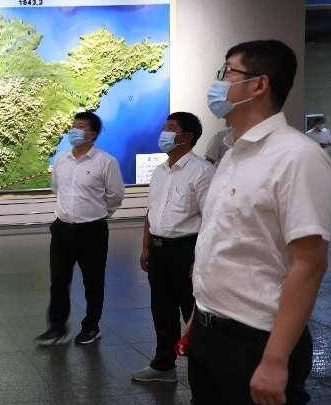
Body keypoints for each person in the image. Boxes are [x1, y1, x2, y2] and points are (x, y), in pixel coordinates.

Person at [185, 40, 331, 405]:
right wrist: (198, 313)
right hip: (210, 334)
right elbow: (224, 244)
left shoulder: (296, 157)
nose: (218, 82)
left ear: (258, 85)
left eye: (227, 72)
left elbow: (309, 264)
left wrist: (275, 360)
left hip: (256, 341)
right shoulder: (233, 152)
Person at [132, 112, 214, 383]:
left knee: (192, 313)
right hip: (159, 250)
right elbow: (151, 211)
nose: (163, 134)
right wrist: (146, 246)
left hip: (186, 250)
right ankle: (163, 365)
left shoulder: (202, 172)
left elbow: (212, 219)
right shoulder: (160, 171)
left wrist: (200, 259)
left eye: (170, 129)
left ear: (187, 137)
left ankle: (202, 377)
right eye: (164, 128)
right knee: (161, 309)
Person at [35, 111, 125, 346]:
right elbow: (57, 189)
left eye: (81, 126)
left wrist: (98, 214)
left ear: (93, 134)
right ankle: (57, 328)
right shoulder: (61, 159)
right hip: (62, 229)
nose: (74, 130)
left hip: (92, 231)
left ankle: (91, 327)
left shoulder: (106, 162)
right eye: (74, 125)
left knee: (93, 282)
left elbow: (115, 196)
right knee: (58, 280)